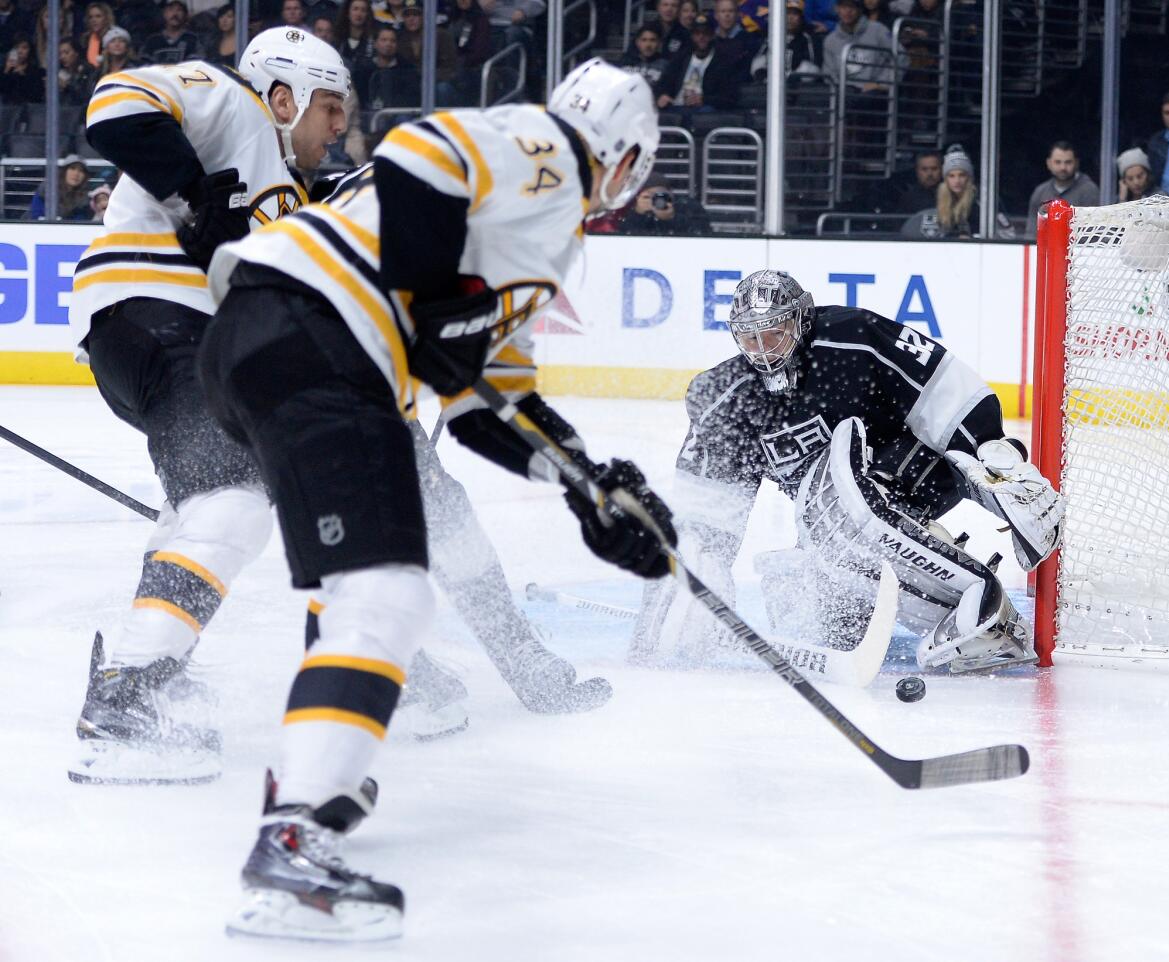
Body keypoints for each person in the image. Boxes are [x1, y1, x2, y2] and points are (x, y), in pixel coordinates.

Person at [197, 58, 669, 941]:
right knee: (389, 594)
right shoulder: (551, 154)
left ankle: (314, 780)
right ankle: (296, 840)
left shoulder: (538, 238)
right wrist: (434, 302)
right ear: (627, 154)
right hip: (317, 333)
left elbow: (494, 402)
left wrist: (586, 484)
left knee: (351, 594)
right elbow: (424, 151)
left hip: (264, 344)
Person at [64, 28, 350, 787]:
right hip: (157, 316)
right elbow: (116, 102)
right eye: (329, 107)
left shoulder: (288, 200)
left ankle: (154, 665)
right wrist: (193, 198)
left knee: (209, 498)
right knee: (233, 499)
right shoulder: (233, 105)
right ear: (283, 96)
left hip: (179, 341)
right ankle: (127, 695)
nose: (339, 126)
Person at [630, 269, 1063, 675]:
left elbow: (942, 388)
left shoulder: (854, 338)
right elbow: (706, 515)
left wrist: (991, 449)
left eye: (774, 334)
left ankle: (979, 600)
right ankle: (927, 588)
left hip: (919, 474)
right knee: (818, 610)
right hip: (829, 520)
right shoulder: (728, 401)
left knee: (847, 519)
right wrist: (694, 574)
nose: (763, 350)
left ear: (801, 321)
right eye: (750, 339)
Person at [654, 14, 740, 112]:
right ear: (691, 36)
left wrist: (704, 100)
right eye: (697, 33)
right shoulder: (680, 58)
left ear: (712, 35)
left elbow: (730, 97)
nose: (701, 37)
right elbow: (662, 84)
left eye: (705, 33)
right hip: (676, 107)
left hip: (704, 111)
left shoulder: (723, 62)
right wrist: (662, 96)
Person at [1023, 140, 1099, 239]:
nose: (1063, 167)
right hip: (1045, 252)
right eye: (1058, 162)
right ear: (1048, 163)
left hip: (1078, 252)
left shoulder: (1089, 191)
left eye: (1068, 162)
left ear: (1076, 163)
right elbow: (1031, 233)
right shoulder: (1040, 192)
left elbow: (1094, 234)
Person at [394, 0, 456, 105]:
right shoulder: (398, 39)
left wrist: (426, 78)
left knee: (443, 89)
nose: (411, 19)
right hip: (409, 89)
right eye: (407, 15)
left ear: (424, 16)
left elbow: (450, 68)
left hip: (436, 84)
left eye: (416, 14)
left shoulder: (442, 35)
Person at [749, 0, 821, 83]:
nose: (790, 18)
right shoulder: (770, 37)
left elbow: (814, 69)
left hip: (800, 88)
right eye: (787, 13)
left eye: (794, 14)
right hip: (771, 84)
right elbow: (757, 64)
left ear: (801, 17)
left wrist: (794, 76)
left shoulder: (808, 38)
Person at [617, 175, 711, 235]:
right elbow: (619, 235)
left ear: (670, 193)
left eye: (660, 194)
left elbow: (703, 232)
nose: (655, 199)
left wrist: (672, 218)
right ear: (638, 197)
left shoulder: (687, 206)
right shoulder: (626, 208)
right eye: (648, 196)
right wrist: (637, 214)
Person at [28, 155, 93, 220]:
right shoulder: (46, 189)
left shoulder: (85, 198)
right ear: (64, 171)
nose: (76, 174)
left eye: (81, 171)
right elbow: (35, 215)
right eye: (72, 168)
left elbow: (80, 221)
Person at [0, 34, 43, 102]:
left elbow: (35, 95)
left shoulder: (36, 71)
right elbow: (2, 90)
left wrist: (22, 74)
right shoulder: (5, 70)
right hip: (8, 110)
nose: (20, 51)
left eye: (24, 48)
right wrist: (6, 71)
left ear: (30, 51)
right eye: (17, 47)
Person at [621, 23, 667, 87]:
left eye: (652, 40)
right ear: (637, 42)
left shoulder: (665, 65)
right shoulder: (626, 62)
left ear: (659, 43)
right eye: (644, 40)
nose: (648, 45)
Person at [56, 37, 95, 104]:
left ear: (76, 53)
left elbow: (87, 95)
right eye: (60, 54)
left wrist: (67, 86)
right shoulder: (59, 72)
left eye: (66, 53)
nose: (62, 57)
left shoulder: (88, 70)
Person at [80, 1, 114, 66]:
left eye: (98, 16)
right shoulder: (85, 39)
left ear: (106, 18)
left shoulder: (115, 38)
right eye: (90, 17)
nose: (94, 20)